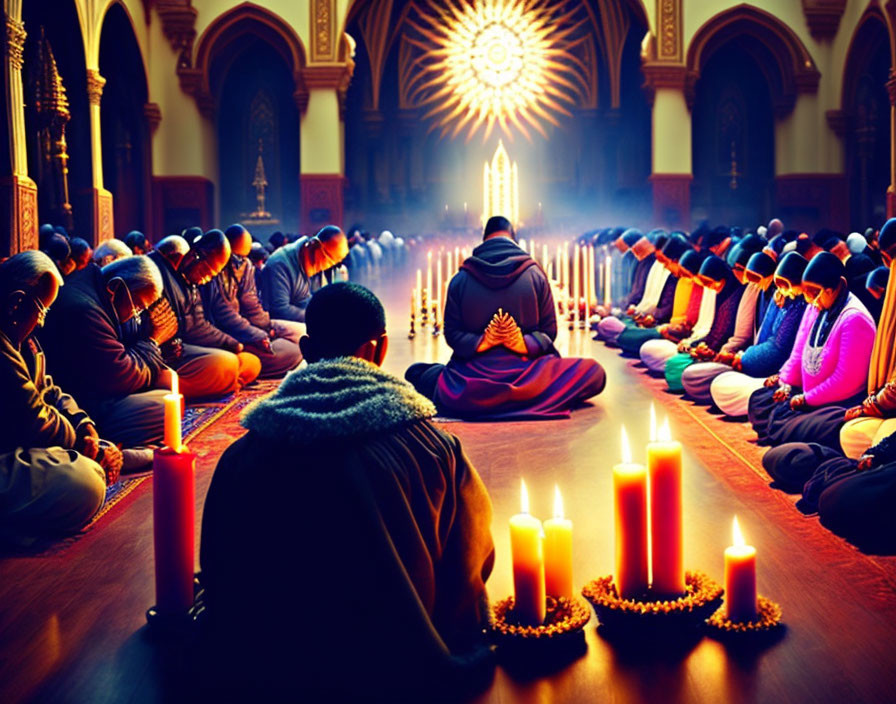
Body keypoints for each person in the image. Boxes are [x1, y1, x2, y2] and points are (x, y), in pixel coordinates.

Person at [199, 282, 495, 699]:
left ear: (304, 349)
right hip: (396, 671)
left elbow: (219, 572)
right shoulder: (434, 447)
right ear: (381, 348)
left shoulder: (241, 458)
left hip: (268, 676)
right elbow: (472, 561)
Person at [405, 216, 606, 419]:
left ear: (484, 240)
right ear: (513, 238)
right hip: (530, 378)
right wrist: (523, 344)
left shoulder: (460, 279)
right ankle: (529, 398)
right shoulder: (535, 274)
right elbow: (549, 332)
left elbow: (452, 334)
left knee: (417, 373)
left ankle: (480, 400)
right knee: (594, 372)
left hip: (471, 383)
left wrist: (483, 343)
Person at [0, 251, 118, 543]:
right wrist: (86, 446)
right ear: (16, 302)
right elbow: (33, 417)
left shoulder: (22, 338)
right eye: (42, 311)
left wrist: (82, 425)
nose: (41, 322)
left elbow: (49, 389)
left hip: (26, 445)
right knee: (84, 483)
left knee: (86, 471)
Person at [41, 255, 176, 448]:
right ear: (115, 288)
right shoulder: (86, 311)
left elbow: (128, 345)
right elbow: (123, 376)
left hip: (104, 386)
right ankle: (107, 446)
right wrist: (154, 342)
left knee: (170, 382)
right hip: (84, 403)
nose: (135, 315)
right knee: (165, 408)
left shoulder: (99, 291)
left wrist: (151, 344)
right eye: (137, 307)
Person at [748, 252, 876, 445]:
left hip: (837, 404)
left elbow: (845, 381)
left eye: (814, 292)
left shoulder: (854, 319)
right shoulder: (817, 306)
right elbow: (798, 353)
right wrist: (786, 383)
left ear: (837, 287)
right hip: (808, 395)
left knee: (783, 423)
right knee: (760, 401)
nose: (809, 299)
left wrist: (806, 399)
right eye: (806, 292)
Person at [149, 232, 261, 399]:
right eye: (207, 271)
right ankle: (176, 387)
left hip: (187, 349)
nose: (207, 279)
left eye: (213, 275)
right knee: (227, 362)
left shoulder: (191, 282)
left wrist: (231, 343)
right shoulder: (157, 276)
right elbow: (185, 330)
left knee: (252, 362)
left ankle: (224, 382)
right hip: (164, 357)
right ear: (195, 256)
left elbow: (199, 324)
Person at [709, 252, 808, 417]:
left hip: (777, 376)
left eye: (785, 285)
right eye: (779, 285)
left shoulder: (802, 304)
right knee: (716, 383)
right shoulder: (781, 296)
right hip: (768, 370)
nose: (782, 290)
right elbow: (767, 339)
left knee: (765, 409)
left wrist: (743, 358)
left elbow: (780, 350)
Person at [201, 224, 302, 378]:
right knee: (288, 353)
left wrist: (265, 327)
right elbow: (224, 314)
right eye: (237, 257)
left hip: (250, 324)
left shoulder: (246, 265)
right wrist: (255, 335)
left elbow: (251, 302)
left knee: (301, 336)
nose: (240, 262)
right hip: (231, 332)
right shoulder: (215, 268)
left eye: (245, 257)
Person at [680, 247, 776, 402]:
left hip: (752, 364)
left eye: (739, 268)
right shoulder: (756, 290)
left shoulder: (769, 293)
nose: (737, 273)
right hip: (739, 357)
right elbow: (712, 328)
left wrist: (739, 358)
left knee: (712, 384)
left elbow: (776, 348)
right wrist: (701, 346)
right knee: (684, 372)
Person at [662, 254, 746, 392]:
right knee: (673, 364)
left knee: (686, 374)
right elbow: (712, 330)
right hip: (710, 354)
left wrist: (714, 353)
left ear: (723, 277)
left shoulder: (737, 296)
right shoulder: (720, 295)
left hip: (726, 357)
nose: (710, 287)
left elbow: (735, 338)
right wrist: (699, 347)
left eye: (711, 282)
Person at [258, 225, 349, 323]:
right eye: (329, 260)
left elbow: (304, 300)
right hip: (277, 325)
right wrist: (319, 318)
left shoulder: (309, 263)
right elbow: (280, 310)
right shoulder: (279, 265)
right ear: (314, 245)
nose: (328, 266)